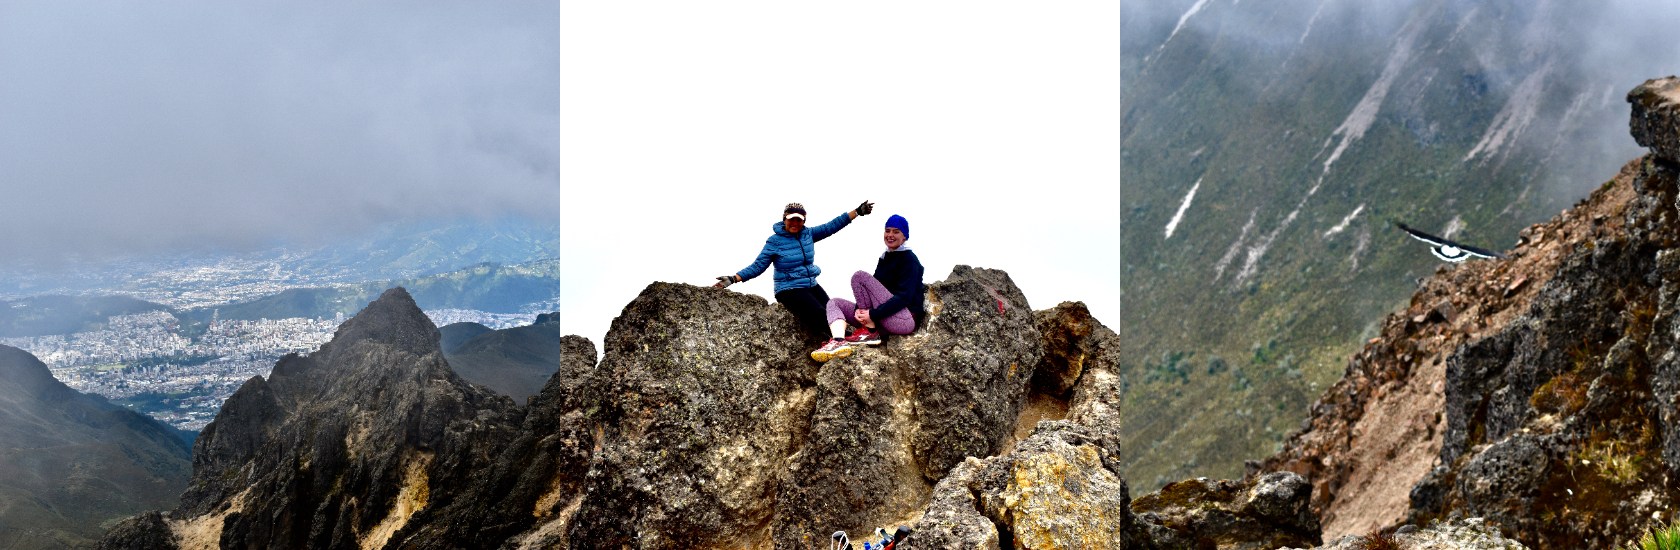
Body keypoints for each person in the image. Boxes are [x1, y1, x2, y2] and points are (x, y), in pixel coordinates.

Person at [715, 200, 874, 359]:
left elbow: (832, 226)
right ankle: (847, 337)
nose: (795, 223)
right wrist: (733, 278)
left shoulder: (808, 234)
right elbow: (758, 266)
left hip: (810, 283)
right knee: (819, 313)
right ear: (784, 219)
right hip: (788, 288)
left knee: (832, 308)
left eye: (799, 219)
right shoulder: (774, 241)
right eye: (791, 219)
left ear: (804, 220)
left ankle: (864, 331)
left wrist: (857, 212)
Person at [814, 214, 925, 361]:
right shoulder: (885, 257)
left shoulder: (910, 260)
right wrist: (859, 311)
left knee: (859, 277)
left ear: (904, 236)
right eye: (887, 230)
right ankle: (839, 341)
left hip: (903, 320)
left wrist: (872, 315)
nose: (890, 235)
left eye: (896, 232)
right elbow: (873, 290)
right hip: (882, 322)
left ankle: (869, 330)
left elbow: (904, 298)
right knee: (833, 303)